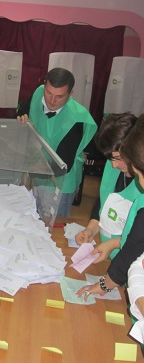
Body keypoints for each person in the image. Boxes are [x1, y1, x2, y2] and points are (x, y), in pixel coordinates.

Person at [77, 113, 144, 300]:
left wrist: (106, 284)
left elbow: (137, 241)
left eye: (117, 158)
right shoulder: (113, 165)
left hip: (128, 267)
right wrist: (91, 228)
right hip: (114, 263)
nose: (113, 165)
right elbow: (104, 200)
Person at [17, 67, 97, 217]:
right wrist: (21, 119)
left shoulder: (77, 119)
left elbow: (62, 164)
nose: (51, 101)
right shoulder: (39, 92)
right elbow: (21, 113)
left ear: (70, 93)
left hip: (60, 181)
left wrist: (28, 171)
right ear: (45, 84)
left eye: (59, 97)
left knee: (52, 227)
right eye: (48, 93)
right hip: (37, 171)